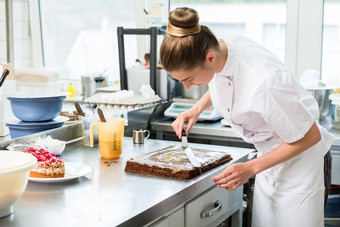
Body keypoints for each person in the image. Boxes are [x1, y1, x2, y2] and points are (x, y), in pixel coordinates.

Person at [160, 7, 334, 227]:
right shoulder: (219, 46)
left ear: (210, 58)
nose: (187, 85)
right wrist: (197, 108)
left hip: (303, 165)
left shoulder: (265, 81)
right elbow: (222, 80)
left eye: (189, 78)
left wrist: (250, 168)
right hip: (268, 160)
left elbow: (310, 136)